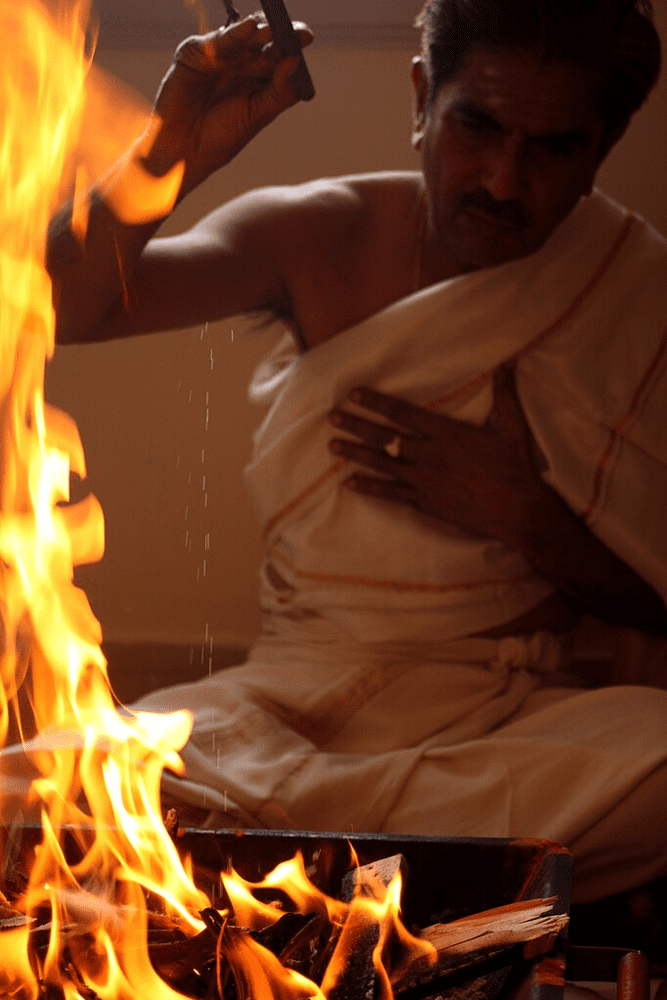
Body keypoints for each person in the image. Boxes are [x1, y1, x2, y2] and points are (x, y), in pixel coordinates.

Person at [47, 0, 667, 906]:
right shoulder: (322, 234)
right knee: (28, 786)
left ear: (603, 147)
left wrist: (529, 519)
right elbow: (59, 308)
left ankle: (287, 864)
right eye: (476, 127)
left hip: (500, 721)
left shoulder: (630, 287)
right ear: (422, 97)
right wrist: (176, 142)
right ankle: (402, 874)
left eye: (553, 147)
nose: (500, 180)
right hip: (288, 704)